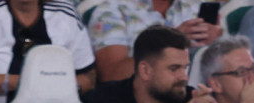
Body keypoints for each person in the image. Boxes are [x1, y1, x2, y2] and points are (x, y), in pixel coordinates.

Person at [87, 25, 239, 103]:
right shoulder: (109, 94)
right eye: (174, 69)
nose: (184, 76)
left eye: (185, 67)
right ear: (145, 70)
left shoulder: (188, 97)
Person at [89, 0, 222, 82]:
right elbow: (112, 75)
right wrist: (170, 40)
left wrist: (217, 42)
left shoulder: (194, 6)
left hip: (198, 93)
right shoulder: (111, 11)